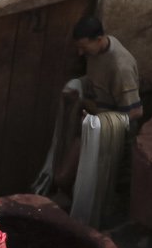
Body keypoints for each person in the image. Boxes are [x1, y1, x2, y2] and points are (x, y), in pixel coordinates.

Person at [46, 15, 143, 213]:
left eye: (84, 47)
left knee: (73, 179)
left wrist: (95, 115)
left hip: (110, 132)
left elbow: (134, 112)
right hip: (92, 120)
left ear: (99, 39)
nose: (80, 54)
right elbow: (96, 80)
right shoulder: (97, 51)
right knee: (66, 177)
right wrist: (79, 87)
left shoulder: (120, 67)